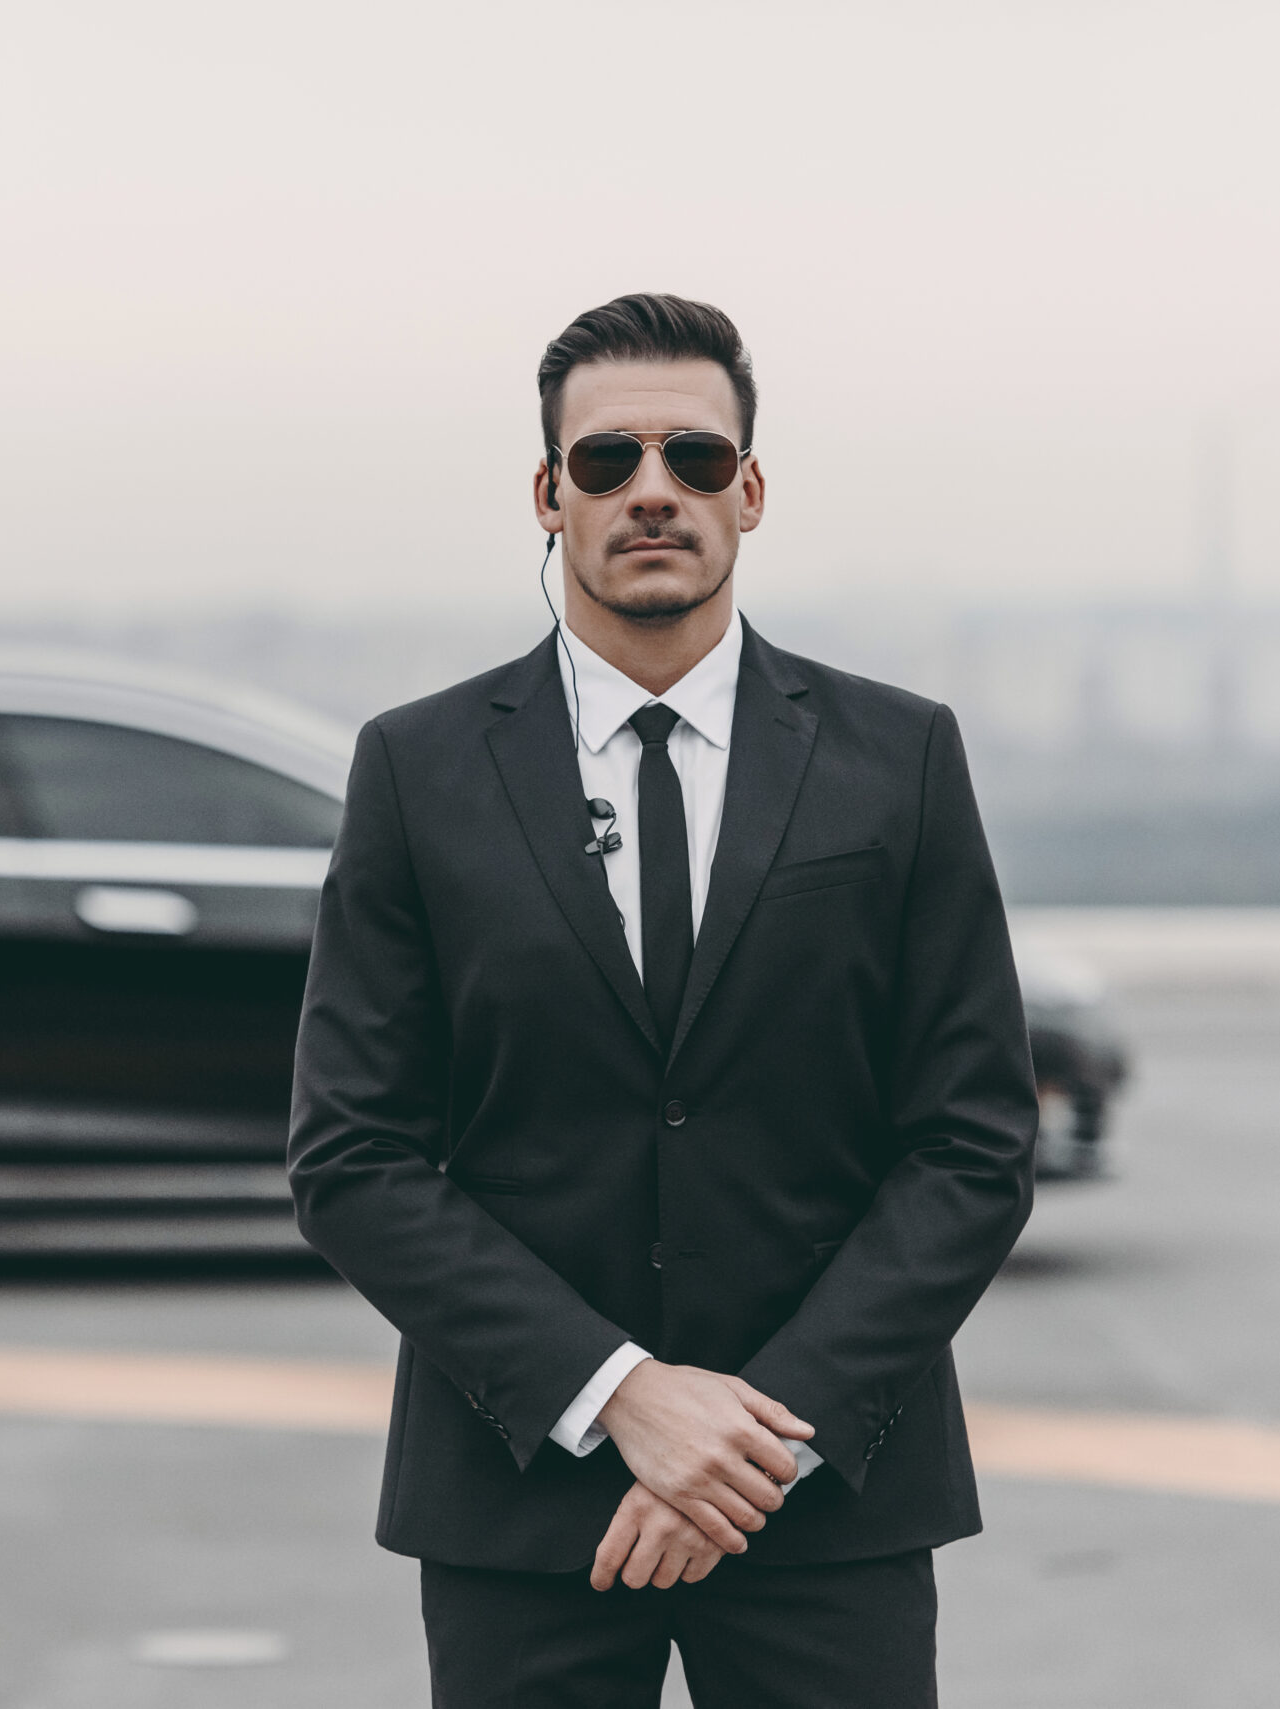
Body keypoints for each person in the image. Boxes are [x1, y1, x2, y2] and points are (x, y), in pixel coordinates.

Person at [287, 292, 1035, 1707]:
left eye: (695, 460)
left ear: (749, 494)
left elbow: (973, 1143)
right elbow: (355, 1156)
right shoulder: (417, 768)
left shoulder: (902, 758)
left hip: (830, 1504)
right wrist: (624, 1393)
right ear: (547, 495)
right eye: (607, 461)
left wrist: (754, 1443)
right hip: (525, 1507)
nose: (652, 492)